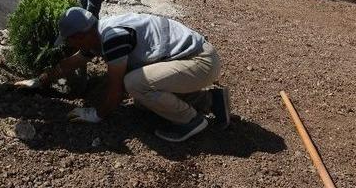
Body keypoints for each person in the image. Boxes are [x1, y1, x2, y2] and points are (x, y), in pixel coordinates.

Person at [17, 8, 230, 143]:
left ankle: (191, 121)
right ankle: (212, 101)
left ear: (80, 36)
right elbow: (73, 62)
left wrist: (96, 114)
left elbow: (116, 89)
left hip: (200, 61)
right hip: (193, 60)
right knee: (143, 100)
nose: (69, 45)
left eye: (69, 41)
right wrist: (41, 80)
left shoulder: (113, 37)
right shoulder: (97, 33)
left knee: (134, 84)